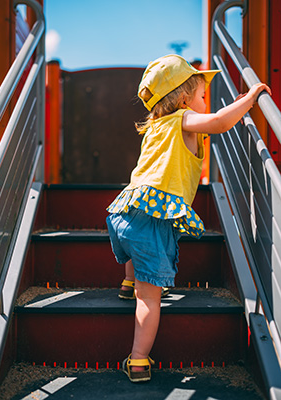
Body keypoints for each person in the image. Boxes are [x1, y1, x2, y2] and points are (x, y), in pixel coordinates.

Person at [106, 54, 271, 383]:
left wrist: (235, 105)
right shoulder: (182, 119)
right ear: (184, 99)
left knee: (138, 252)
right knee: (150, 297)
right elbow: (219, 123)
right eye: (202, 96)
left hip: (122, 211)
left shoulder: (155, 126)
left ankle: (128, 283)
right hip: (148, 221)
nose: (204, 103)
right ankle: (138, 360)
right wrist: (250, 100)